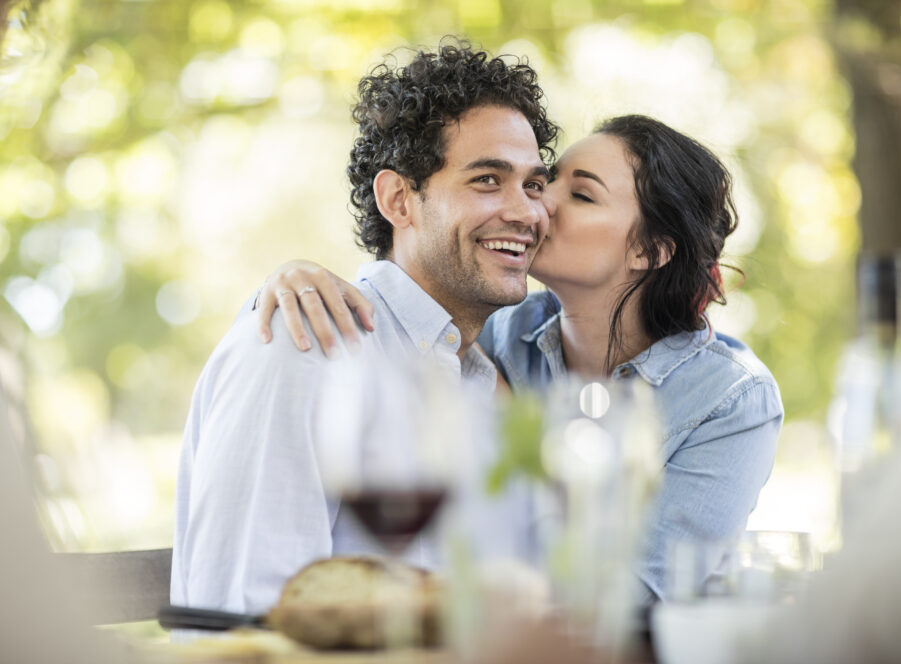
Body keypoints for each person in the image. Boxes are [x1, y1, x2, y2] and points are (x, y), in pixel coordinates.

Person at [255, 114, 784, 603]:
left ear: (649, 251)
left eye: (579, 194)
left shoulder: (729, 400)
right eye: (544, 181)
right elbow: (403, 305)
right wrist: (292, 278)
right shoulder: (494, 332)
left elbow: (641, 594)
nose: (537, 204)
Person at [171, 42, 557, 615]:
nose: (526, 212)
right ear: (398, 199)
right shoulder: (302, 348)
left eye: (532, 184)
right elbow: (242, 625)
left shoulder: (482, 382)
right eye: (486, 180)